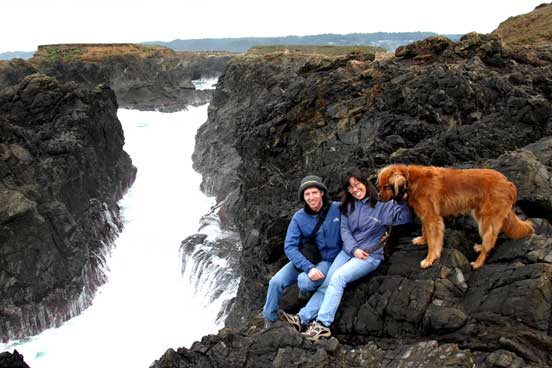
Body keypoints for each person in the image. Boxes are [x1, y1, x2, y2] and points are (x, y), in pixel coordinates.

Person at [280, 167, 412, 339]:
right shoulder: (348, 206)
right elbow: (345, 232)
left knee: (338, 278)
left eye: (357, 184)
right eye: (350, 188)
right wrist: (354, 250)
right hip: (349, 252)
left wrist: (401, 196)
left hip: (369, 256)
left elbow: (405, 217)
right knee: (326, 283)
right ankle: (301, 318)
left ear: (365, 182)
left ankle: (322, 325)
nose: (355, 190)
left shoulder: (382, 206)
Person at [262, 175, 342, 329]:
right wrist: (308, 267)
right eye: (307, 194)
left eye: (314, 192)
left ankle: (306, 291)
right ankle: (269, 319)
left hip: (327, 261)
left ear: (322, 193)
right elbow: (290, 247)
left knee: (305, 282)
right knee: (275, 282)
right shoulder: (299, 218)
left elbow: (359, 213)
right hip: (306, 259)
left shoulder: (337, 209)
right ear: (303, 197)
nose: (311, 197)